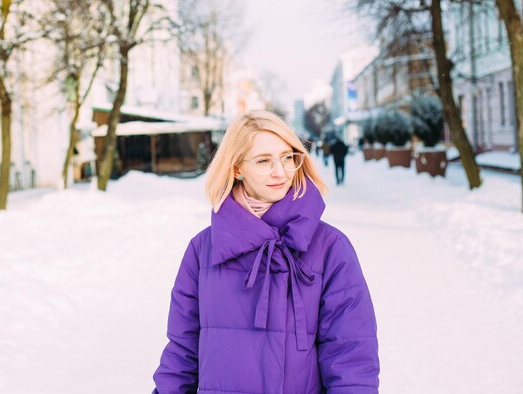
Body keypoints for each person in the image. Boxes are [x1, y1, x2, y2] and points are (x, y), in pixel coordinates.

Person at [152, 110, 379, 393]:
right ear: (236, 168)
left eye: (287, 157)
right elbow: (181, 354)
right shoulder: (203, 250)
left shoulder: (330, 248)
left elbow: (352, 359)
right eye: (263, 161)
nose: (280, 172)